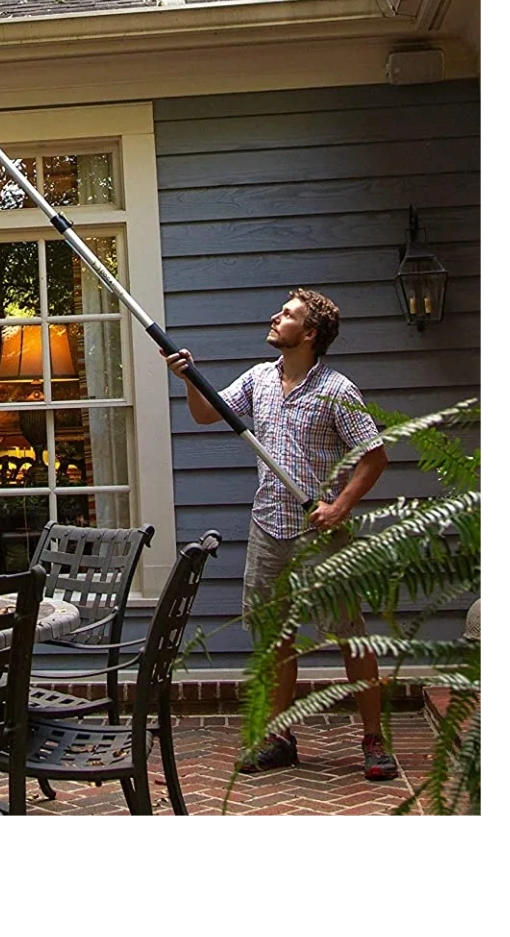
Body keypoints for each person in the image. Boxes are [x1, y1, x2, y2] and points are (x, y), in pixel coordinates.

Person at [164, 288, 399, 781]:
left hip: (320, 532)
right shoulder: (258, 380)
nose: (276, 317)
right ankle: (279, 736)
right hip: (269, 526)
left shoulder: (337, 389)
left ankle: (374, 739)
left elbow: (374, 456)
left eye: (288, 315)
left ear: (309, 333)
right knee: (275, 640)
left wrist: (339, 507)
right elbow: (208, 413)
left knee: (351, 639)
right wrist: (187, 378)